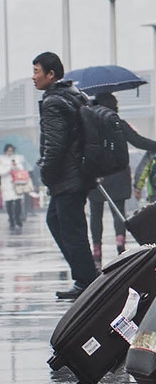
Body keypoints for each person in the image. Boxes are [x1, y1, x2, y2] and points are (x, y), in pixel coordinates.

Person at [34, 51, 97, 300]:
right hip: (77, 173)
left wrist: (46, 173)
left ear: (51, 74)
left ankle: (86, 280)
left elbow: (55, 145)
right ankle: (85, 275)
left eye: (37, 71)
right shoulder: (74, 95)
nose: (33, 77)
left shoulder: (54, 102)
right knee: (57, 221)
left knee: (72, 230)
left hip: (67, 177)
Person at [86, 92, 156, 260]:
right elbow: (137, 141)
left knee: (95, 213)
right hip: (117, 173)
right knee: (118, 212)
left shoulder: (88, 125)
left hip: (97, 175)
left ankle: (96, 250)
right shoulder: (117, 122)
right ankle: (120, 245)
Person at [1, 144, 31, 231]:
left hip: (17, 183)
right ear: (5, 151)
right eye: (8, 151)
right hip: (7, 183)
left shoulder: (17, 158)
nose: (10, 152)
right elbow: (1, 172)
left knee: (18, 201)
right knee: (9, 202)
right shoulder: (1, 159)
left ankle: (18, 218)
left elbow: (21, 169)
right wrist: (9, 168)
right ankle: (11, 219)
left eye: (11, 151)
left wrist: (16, 165)